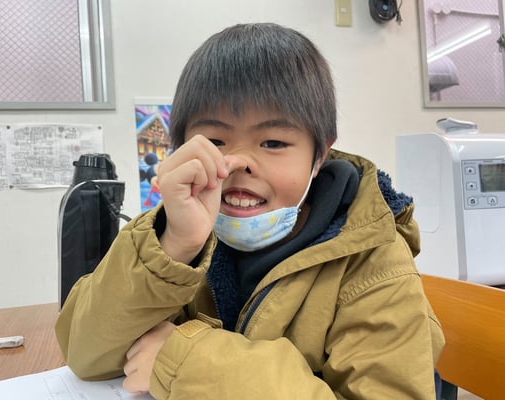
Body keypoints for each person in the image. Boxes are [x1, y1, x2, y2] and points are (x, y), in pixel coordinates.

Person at [55, 23, 445, 399]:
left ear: (319, 157)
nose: (239, 162)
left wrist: (182, 364)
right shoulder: (170, 228)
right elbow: (85, 354)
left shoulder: (373, 261)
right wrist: (174, 246)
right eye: (214, 140)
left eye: (273, 142)